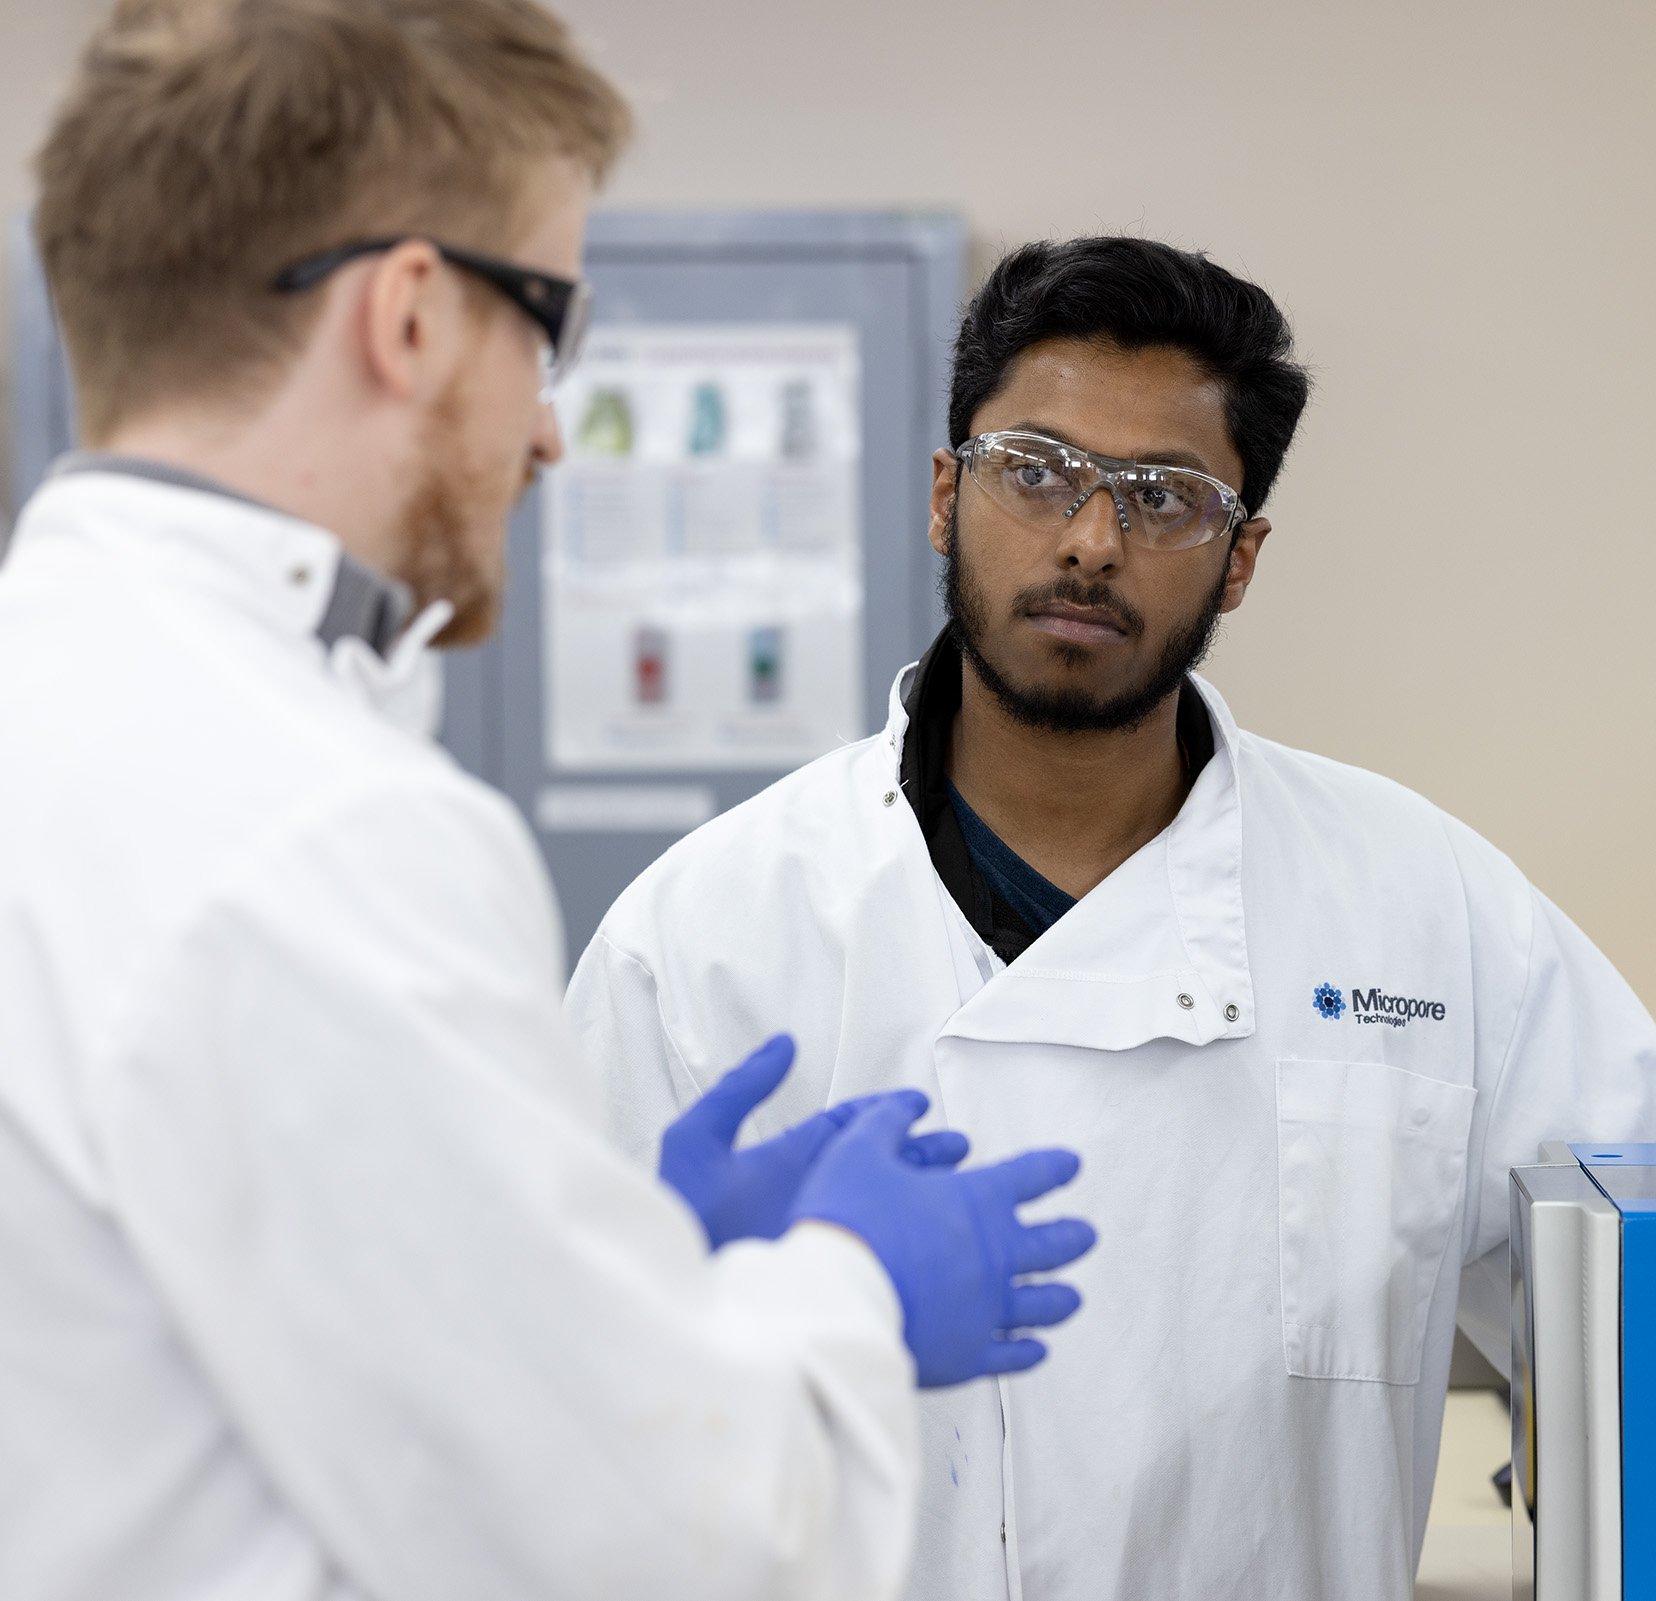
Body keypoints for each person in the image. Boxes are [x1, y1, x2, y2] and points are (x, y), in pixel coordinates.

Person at [0, 3, 1093, 1599]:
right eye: (550, 332)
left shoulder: (67, 695)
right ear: (414, 318)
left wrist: (607, 1270)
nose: (549, 432)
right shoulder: (320, 825)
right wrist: (852, 1280)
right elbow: (655, 1544)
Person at [567, 235, 1656, 1601]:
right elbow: (559, 1434)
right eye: (1035, 471)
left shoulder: (1433, 913)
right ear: (945, 496)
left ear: (1239, 559)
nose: (1091, 539)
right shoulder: (703, 938)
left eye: (1165, 497)